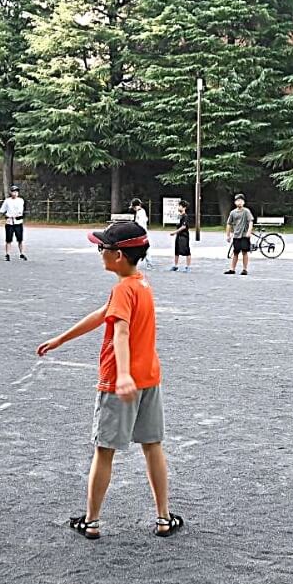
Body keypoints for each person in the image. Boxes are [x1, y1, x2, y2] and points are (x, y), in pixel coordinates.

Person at [36, 221, 182, 540]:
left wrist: (124, 375)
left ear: (117, 255)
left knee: (104, 450)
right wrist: (61, 339)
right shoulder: (140, 284)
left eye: (102, 248)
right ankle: (163, 517)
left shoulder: (122, 289)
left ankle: (92, 521)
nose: (99, 252)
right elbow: (104, 314)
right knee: (153, 446)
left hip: (120, 381)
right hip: (149, 379)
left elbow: (121, 332)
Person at [0, 184, 27, 261]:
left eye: (16, 192)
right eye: (13, 191)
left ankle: (21, 253)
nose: (15, 193)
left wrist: (18, 215)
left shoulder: (21, 200)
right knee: (8, 239)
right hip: (9, 222)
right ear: (11, 192)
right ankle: (7, 254)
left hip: (18, 222)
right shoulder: (7, 201)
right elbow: (2, 210)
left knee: (20, 239)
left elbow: (20, 211)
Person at [224, 194, 254, 276]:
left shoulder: (246, 211)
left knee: (244, 252)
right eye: (237, 201)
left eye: (241, 201)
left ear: (244, 202)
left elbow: (250, 221)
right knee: (235, 252)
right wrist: (228, 235)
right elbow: (229, 224)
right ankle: (232, 269)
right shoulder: (233, 213)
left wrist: (249, 231)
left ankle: (245, 269)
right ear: (235, 202)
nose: (239, 202)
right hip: (236, 235)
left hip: (244, 235)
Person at [130, 199, 153, 269]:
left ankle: (149, 263)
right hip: (140, 233)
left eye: (134, 207)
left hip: (141, 233)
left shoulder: (141, 212)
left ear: (139, 205)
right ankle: (134, 263)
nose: (134, 208)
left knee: (145, 248)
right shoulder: (140, 212)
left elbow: (141, 223)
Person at [170, 199, 191, 272]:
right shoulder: (179, 216)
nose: (178, 207)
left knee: (186, 250)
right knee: (177, 250)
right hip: (178, 236)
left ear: (184, 208)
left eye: (180, 206)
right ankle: (175, 266)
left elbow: (183, 227)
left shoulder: (185, 216)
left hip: (184, 236)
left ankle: (188, 267)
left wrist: (174, 232)